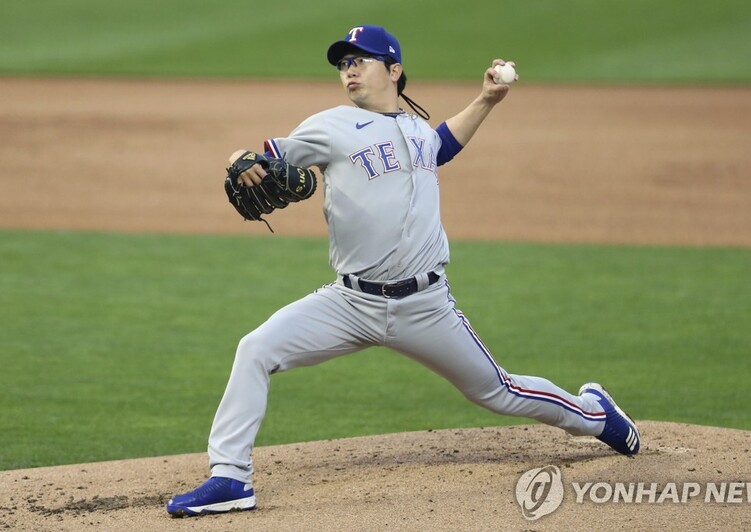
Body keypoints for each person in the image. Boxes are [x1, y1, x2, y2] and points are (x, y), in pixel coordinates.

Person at [166, 25, 640, 518]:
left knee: (498, 391)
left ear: (393, 70)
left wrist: (487, 99)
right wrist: (239, 158)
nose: (348, 69)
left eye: (360, 60)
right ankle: (230, 478)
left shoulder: (416, 129)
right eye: (343, 63)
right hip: (349, 303)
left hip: (425, 307)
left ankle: (595, 415)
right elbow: (260, 157)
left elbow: (442, 145)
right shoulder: (329, 125)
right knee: (256, 349)